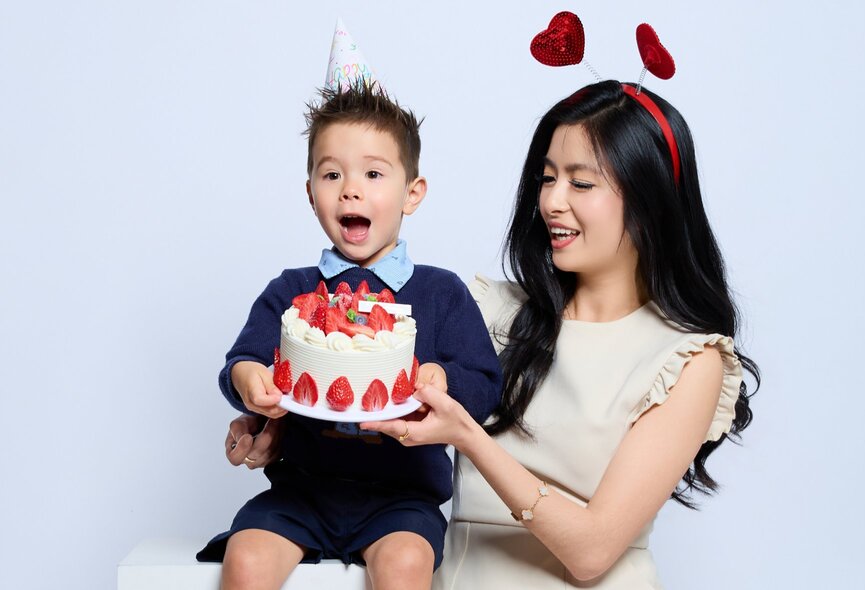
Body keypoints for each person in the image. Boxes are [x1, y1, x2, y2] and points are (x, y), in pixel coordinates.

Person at [232, 79, 759, 588]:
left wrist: (468, 437)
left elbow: (592, 552)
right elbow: (365, 372)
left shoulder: (687, 360)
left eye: (580, 182)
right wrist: (278, 419)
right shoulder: (495, 311)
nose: (552, 201)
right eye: (546, 178)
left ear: (650, 200)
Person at [198, 81, 502, 590]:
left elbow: (487, 384)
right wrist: (252, 382)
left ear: (413, 193)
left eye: (373, 173)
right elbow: (243, 361)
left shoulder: (441, 292)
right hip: (299, 492)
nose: (350, 189)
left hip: (402, 500)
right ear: (310, 192)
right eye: (332, 173)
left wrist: (442, 379)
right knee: (246, 558)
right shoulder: (293, 290)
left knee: (406, 564)